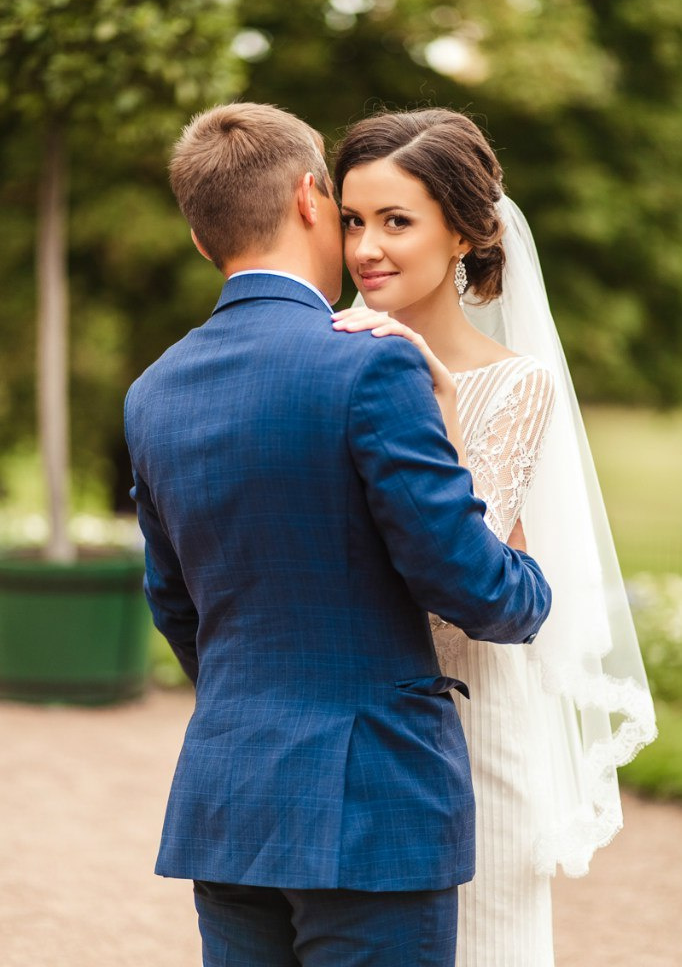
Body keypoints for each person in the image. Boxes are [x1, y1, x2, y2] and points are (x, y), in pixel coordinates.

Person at [124, 102, 552, 967]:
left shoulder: (153, 391)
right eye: (354, 215)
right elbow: (479, 592)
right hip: (376, 809)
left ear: (205, 242)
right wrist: (531, 580)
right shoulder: (373, 363)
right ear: (312, 198)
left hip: (231, 798)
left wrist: (261, 705)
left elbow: (175, 606)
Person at [332, 107, 657, 967]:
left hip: (475, 732)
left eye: (396, 222)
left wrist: (429, 398)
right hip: (355, 729)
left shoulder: (513, 386)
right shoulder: (323, 355)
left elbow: (454, 568)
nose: (366, 247)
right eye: (352, 220)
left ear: (466, 235)